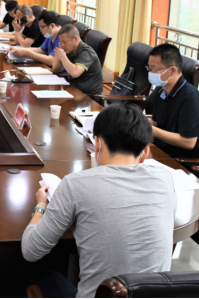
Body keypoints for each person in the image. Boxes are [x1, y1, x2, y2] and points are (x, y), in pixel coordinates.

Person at [21, 104, 176, 298]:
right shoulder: (165, 178)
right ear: (144, 152)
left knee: (46, 278)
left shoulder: (76, 185)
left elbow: (30, 251)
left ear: (97, 143)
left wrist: (41, 206)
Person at [148, 44, 199, 158]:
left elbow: (188, 142)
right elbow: (157, 122)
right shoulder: (161, 90)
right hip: (161, 151)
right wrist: (135, 120)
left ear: (172, 70)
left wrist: (150, 129)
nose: (151, 73)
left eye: (154, 69)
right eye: (149, 69)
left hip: (181, 161)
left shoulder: (190, 99)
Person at [51, 24, 103, 95]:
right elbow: (56, 69)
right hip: (74, 89)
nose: (62, 45)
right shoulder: (70, 50)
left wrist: (63, 57)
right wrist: (60, 52)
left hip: (88, 96)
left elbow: (75, 73)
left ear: (75, 39)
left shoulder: (86, 52)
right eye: (60, 42)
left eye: (64, 42)